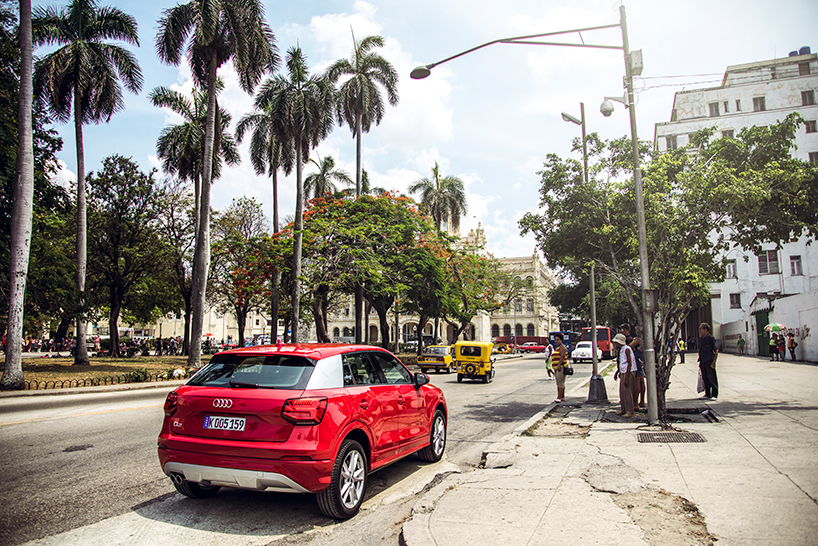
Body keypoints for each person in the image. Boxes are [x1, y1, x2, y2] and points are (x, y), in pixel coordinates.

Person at [620, 323, 645, 409]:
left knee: (638, 381)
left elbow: (629, 346)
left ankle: (636, 402)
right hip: (637, 360)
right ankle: (641, 401)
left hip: (636, 360)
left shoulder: (636, 338)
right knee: (640, 381)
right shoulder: (637, 338)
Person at [612, 333, 636, 418]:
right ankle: (624, 409)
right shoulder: (621, 350)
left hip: (628, 372)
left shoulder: (627, 349)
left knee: (628, 392)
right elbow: (621, 362)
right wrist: (618, 372)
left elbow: (629, 363)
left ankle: (630, 411)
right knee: (622, 392)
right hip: (623, 372)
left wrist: (626, 377)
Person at [698, 323, 719, 400]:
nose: (699, 330)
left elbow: (716, 350)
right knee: (705, 377)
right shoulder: (701, 339)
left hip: (709, 360)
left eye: (701, 329)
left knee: (712, 377)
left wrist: (714, 362)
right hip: (703, 360)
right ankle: (707, 394)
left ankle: (714, 394)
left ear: (705, 329)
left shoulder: (711, 338)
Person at [550, 333, 569, 402]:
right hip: (557, 367)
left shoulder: (562, 347)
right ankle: (562, 396)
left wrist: (558, 365)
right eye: (555, 340)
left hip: (561, 367)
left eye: (558, 340)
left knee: (560, 382)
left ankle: (559, 397)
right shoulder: (558, 347)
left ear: (561, 340)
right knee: (560, 382)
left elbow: (562, 356)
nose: (556, 341)